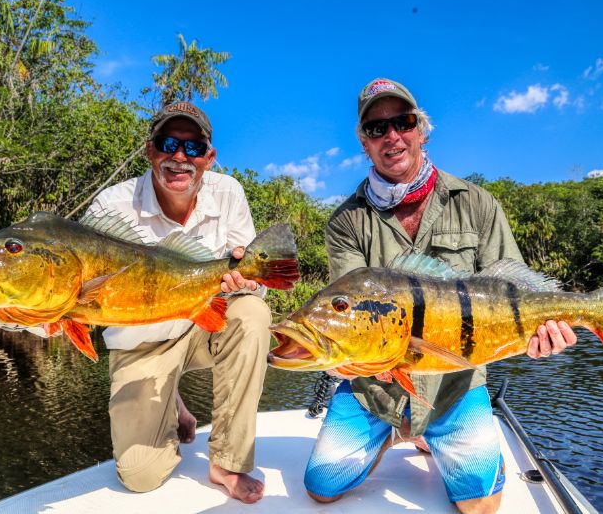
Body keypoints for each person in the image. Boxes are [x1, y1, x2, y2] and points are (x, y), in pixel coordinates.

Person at [303, 78, 577, 514]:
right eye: (377, 128)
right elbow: (350, 310)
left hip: (456, 384)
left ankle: (431, 430)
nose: (392, 136)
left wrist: (540, 336)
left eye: (403, 122)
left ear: (421, 130)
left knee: (481, 506)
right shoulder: (346, 222)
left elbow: (517, 291)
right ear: (364, 143)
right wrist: (341, 355)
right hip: (376, 387)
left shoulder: (478, 203)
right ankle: (396, 430)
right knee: (321, 487)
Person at [86, 101, 268, 503]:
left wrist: (245, 282)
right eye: (169, 143)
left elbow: (258, 285)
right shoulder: (110, 207)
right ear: (151, 149)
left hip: (201, 326)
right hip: (141, 344)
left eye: (193, 147)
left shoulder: (229, 193)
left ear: (209, 157)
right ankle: (175, 406)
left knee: (253, 314)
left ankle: (227, 461)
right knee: (140, 477)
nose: (180, 157)